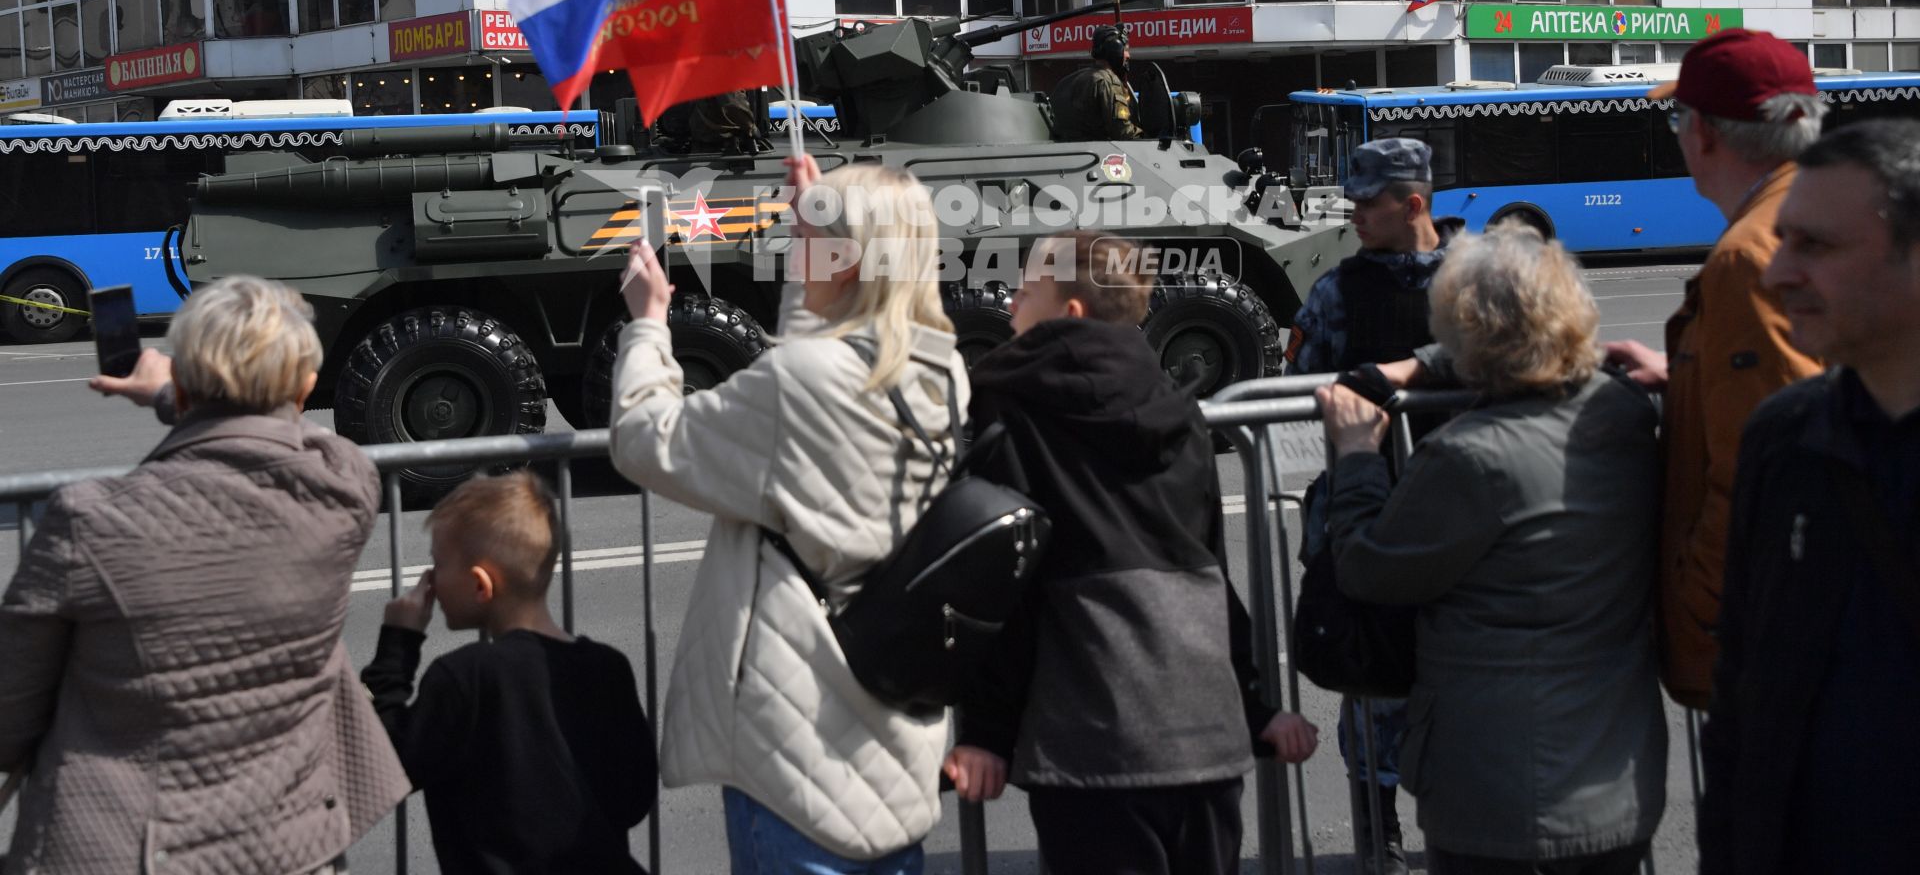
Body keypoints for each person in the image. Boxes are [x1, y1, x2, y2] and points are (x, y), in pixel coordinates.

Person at [609, 154, 965, 874]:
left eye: (808, 240)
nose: (789, 248)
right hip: (893, 729)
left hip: (800, 739)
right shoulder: (941, 372)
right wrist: (820, 229)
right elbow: (821, 361)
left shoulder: (803, 383)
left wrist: (649, 327)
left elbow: (646, 441)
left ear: (847, 258)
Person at [0, 276, 408, 874]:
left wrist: (175, 394)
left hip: (127, 852)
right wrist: (178, 394)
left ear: (188, 386)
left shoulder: (88, 521)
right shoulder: (343, 487)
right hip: (290, 846)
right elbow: (298, 436)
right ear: (306, 388)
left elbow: (9, 718)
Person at [943, 230, 1318, 875]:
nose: (1009, 305)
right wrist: (1253, 704)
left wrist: (985, 734)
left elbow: (1008, 584)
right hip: (1204, 726)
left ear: (1071, 313)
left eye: (1027, 290)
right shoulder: (1184, 415)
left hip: (1092, 734)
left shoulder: (1010, 411)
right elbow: (1207, 574)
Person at [1319, 227, 1666, 875]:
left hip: (1499, 801)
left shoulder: (1469, 456)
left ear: (1463, 333)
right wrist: (1423, 363)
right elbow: (1520, 342)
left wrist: (1358, 458)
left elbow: (1367, 569)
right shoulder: (1622, 412)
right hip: (1617, 780)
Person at [1700, 119, 1920, 875]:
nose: (1776, 272)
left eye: (1816, 247)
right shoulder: (1785, 436)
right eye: (1784, 240)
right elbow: (1739, 705)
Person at [1604, 28, 1824, 707]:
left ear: (1703, 134)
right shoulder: (1824, 218)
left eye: (1678, 117)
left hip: (1769, 647)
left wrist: (1701, 608)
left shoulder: (1749, 259)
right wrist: (1689, 378)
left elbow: (1770, 470)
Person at [1286, 135, 1455, 874]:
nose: (1351, 211)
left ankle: (1456, 827)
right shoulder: (1337, 290)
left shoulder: (1477, 280)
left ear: (1412, 202)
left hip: (1463, 508)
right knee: (1374, 677)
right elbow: (1299, 385)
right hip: (1371, 506)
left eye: (1366, 200)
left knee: (1461, 675)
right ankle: (1376, 833)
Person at [361, 470, 657, 875]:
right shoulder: (609, 668)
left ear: (481, 585)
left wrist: (397, 646)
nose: (429, 580)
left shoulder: (464, 679)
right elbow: (634, 798)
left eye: (437, 564)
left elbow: (387, 764)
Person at [1049, 23, 1142, 140]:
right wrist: (1143, 136)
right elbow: (1122, 132)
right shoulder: (1107, 81)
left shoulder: (1069, 80)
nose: (1128, 55)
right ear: (1115, 51)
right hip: (1099, 152)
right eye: (1125, 50)